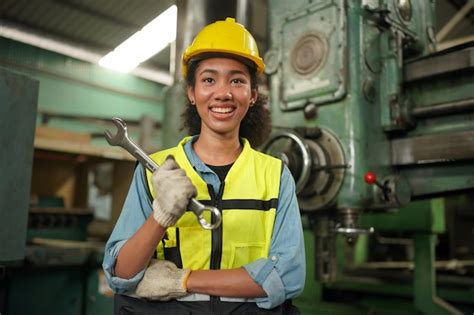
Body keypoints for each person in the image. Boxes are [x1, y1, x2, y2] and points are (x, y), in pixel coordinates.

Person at [103, 17, 305, 314]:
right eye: (209, 80)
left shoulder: (275, 175)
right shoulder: (155, 169)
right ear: (191, 93)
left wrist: (183, 280)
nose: (222, 93)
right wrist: (160, 217)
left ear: (252, 96)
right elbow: (121, 275)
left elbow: (286, 278)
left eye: (237, 80)